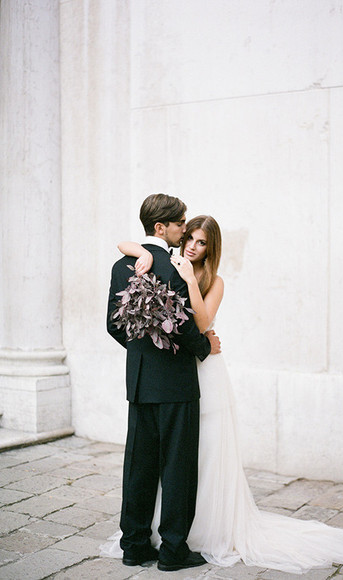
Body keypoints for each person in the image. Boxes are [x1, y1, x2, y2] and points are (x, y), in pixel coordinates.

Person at [103, 212, 343, 574]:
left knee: (178, 461)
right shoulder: (164, 264)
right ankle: (167, 546)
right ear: (169, 231)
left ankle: (159, 541)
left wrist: (186, 288)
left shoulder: (201, 277)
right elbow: (178, 327)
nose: (192, 245)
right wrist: (202, 346)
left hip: (185, 378)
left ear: (211, 249)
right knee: (170, 464)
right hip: (178, 371)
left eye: (201, 242)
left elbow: (191, 322)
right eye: (188, 236)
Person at [106, 194, 221, 572]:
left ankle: (134, 545)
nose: (184, 230)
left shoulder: (122, 267)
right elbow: (186, 329)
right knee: (177, 467)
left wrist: (143, 352)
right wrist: (206, 348)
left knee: (138, 467)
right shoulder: (174, 269)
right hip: (175, 384)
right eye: (180, 224)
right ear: (161, 227)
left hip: (140, 382)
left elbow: (113, 325)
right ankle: (173, 550)